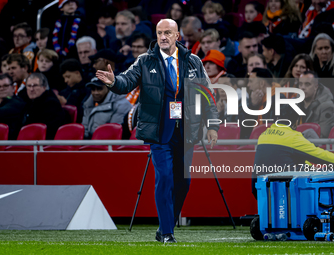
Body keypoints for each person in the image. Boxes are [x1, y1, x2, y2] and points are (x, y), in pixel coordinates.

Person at [96, 19, 219, 243]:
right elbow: (126, 82)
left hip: (186, 131)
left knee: (184, 182)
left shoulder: (193, 62)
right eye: (160, 32)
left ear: (177, 37)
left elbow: (208, 96)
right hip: (159, 132)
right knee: (164, 177)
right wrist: (114, 81)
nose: (163, 36)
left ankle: (166, 225)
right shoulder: (144, 61)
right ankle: (167, 233)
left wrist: (212, 126)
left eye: (168, 33)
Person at [252, 109, 334, 198]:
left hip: (260, 190)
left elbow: (285, 160)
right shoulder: (293, 137)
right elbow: (320, 156)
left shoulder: (264, 135)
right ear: (296, 122)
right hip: (285, 192)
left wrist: (310, 166)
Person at [22, 73, 70, 139]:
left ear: (44, 87)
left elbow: (49, 130)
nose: (31, 89)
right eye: (29, 86)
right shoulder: (29, 101)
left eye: (35, 86)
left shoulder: (51, 104)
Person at [297, 71, 334, 138]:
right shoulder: (295, 103)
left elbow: (323, 137)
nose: (302, 87)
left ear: (316, 87)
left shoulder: (327, 106)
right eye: (300, 84)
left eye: (307, 84)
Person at [0, 73, 26, 139]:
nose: (2, 89)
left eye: (5, 86)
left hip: (13, 145)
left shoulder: (17, 102)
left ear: (13, 88)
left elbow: (0, 113)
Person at [58, 58, 90, 123]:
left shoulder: (88, 90)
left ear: (77, 73)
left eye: (68, 77)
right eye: (64, 78)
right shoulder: (63, 92)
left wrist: (66, 103)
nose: (65, 81)